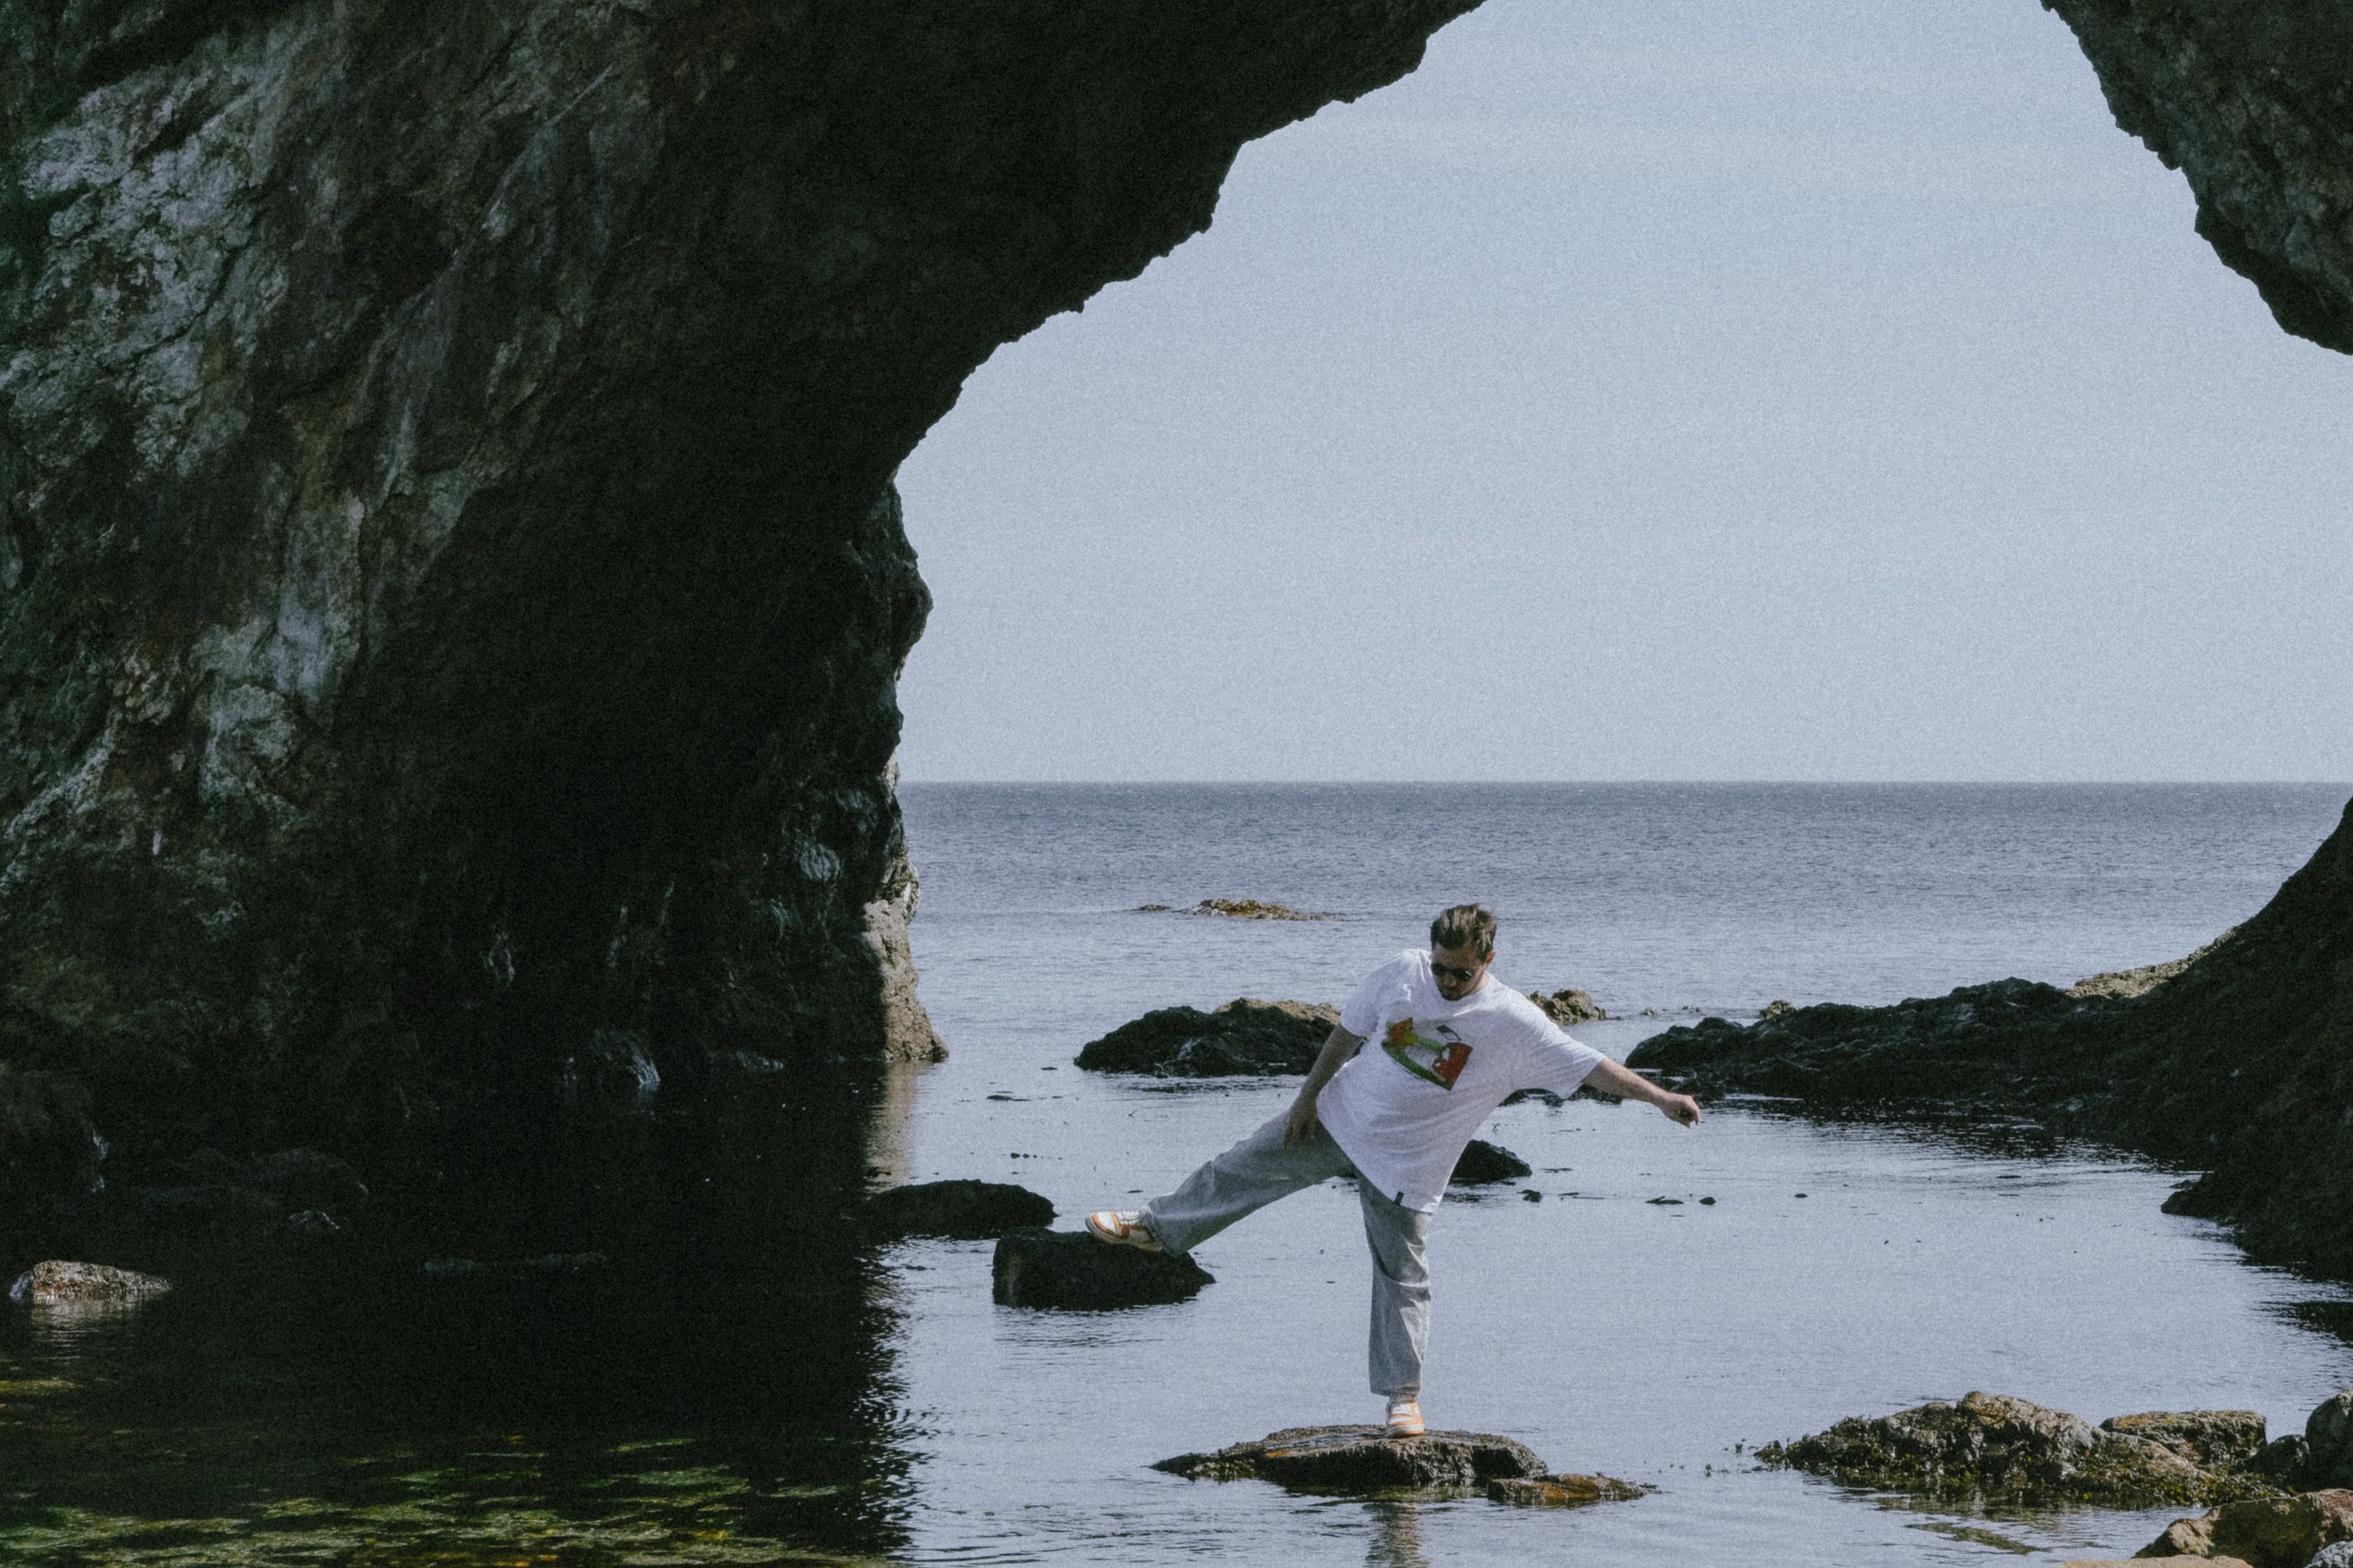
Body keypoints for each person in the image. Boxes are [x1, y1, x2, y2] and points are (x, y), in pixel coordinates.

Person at [1087, 903, 1700, 1437]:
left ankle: (1403, 1400)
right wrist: (1306, 1099)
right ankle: (1154, 1228)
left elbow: (1593, 1066)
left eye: (1462, 972)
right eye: (1441, 968)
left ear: (1489, 960)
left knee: (1403, 1278)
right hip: (1340, 1116)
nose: (1449, 981)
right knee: (1240, 1167)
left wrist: (1661, 1099)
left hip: (1411, 1162)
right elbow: (1346, 1035)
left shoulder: (1514, 1023)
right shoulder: (1403, 972)